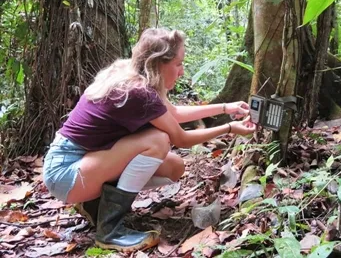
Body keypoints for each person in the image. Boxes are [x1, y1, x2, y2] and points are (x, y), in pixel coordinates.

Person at [43, 28, 256, 252]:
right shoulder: (137, 91)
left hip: (81, 163)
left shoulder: (135, 75)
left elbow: (172, 113)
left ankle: (93, 203)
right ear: (158, 63)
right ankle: (110, 231)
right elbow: (181, 138)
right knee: (158, 141)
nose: (182, 72)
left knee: (174, 167)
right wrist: (230, 128)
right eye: (178, 64)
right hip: (66, 172)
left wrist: (225, 107)